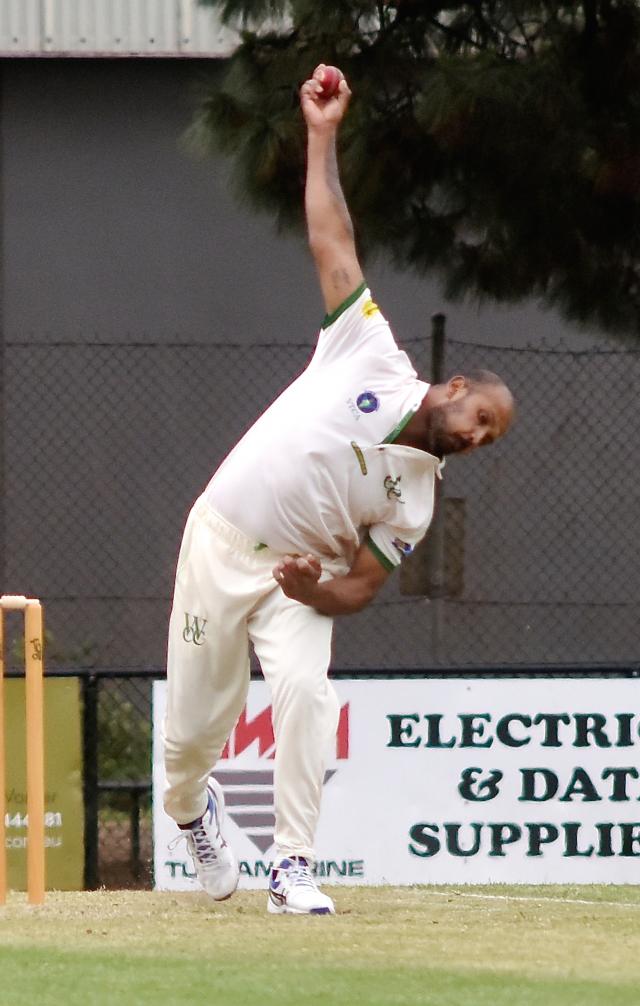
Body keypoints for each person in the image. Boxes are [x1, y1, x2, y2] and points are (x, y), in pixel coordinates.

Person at [162, 64, 515, 916]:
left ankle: (291, 868)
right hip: (218, 541)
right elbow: (332, 241)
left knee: (306, 694)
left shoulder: (417, 499)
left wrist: (310, 588)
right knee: (192, 738)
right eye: (481, 417)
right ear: (453, 385)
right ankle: (189, 810)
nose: (476, 436)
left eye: (489, 439)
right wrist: (322, 134)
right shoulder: (370, 354)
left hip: (298, 576)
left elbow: (359, 584)